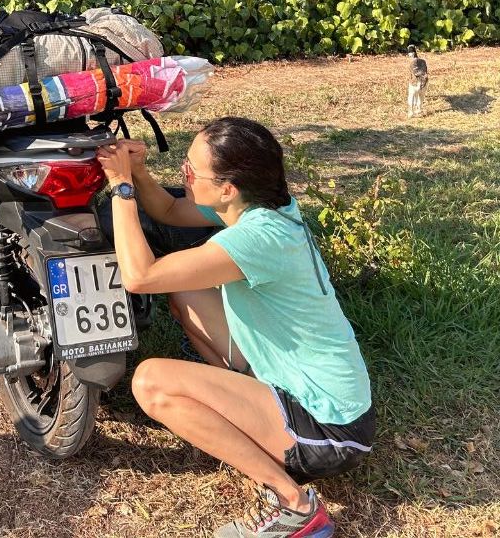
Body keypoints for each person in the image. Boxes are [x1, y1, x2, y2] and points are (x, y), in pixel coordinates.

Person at [96, 116, 375, 538]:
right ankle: (246, 415)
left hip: (331, 430)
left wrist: (122, 188)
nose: (183, 177)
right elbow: (169, 209)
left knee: (151, 381)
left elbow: (140, 276)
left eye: (190, 171)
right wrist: (139, 172)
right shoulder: (262, 207)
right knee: (188, 295)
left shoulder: (257, 240)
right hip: (310, 394)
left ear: (227, 188)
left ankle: (295, 506)